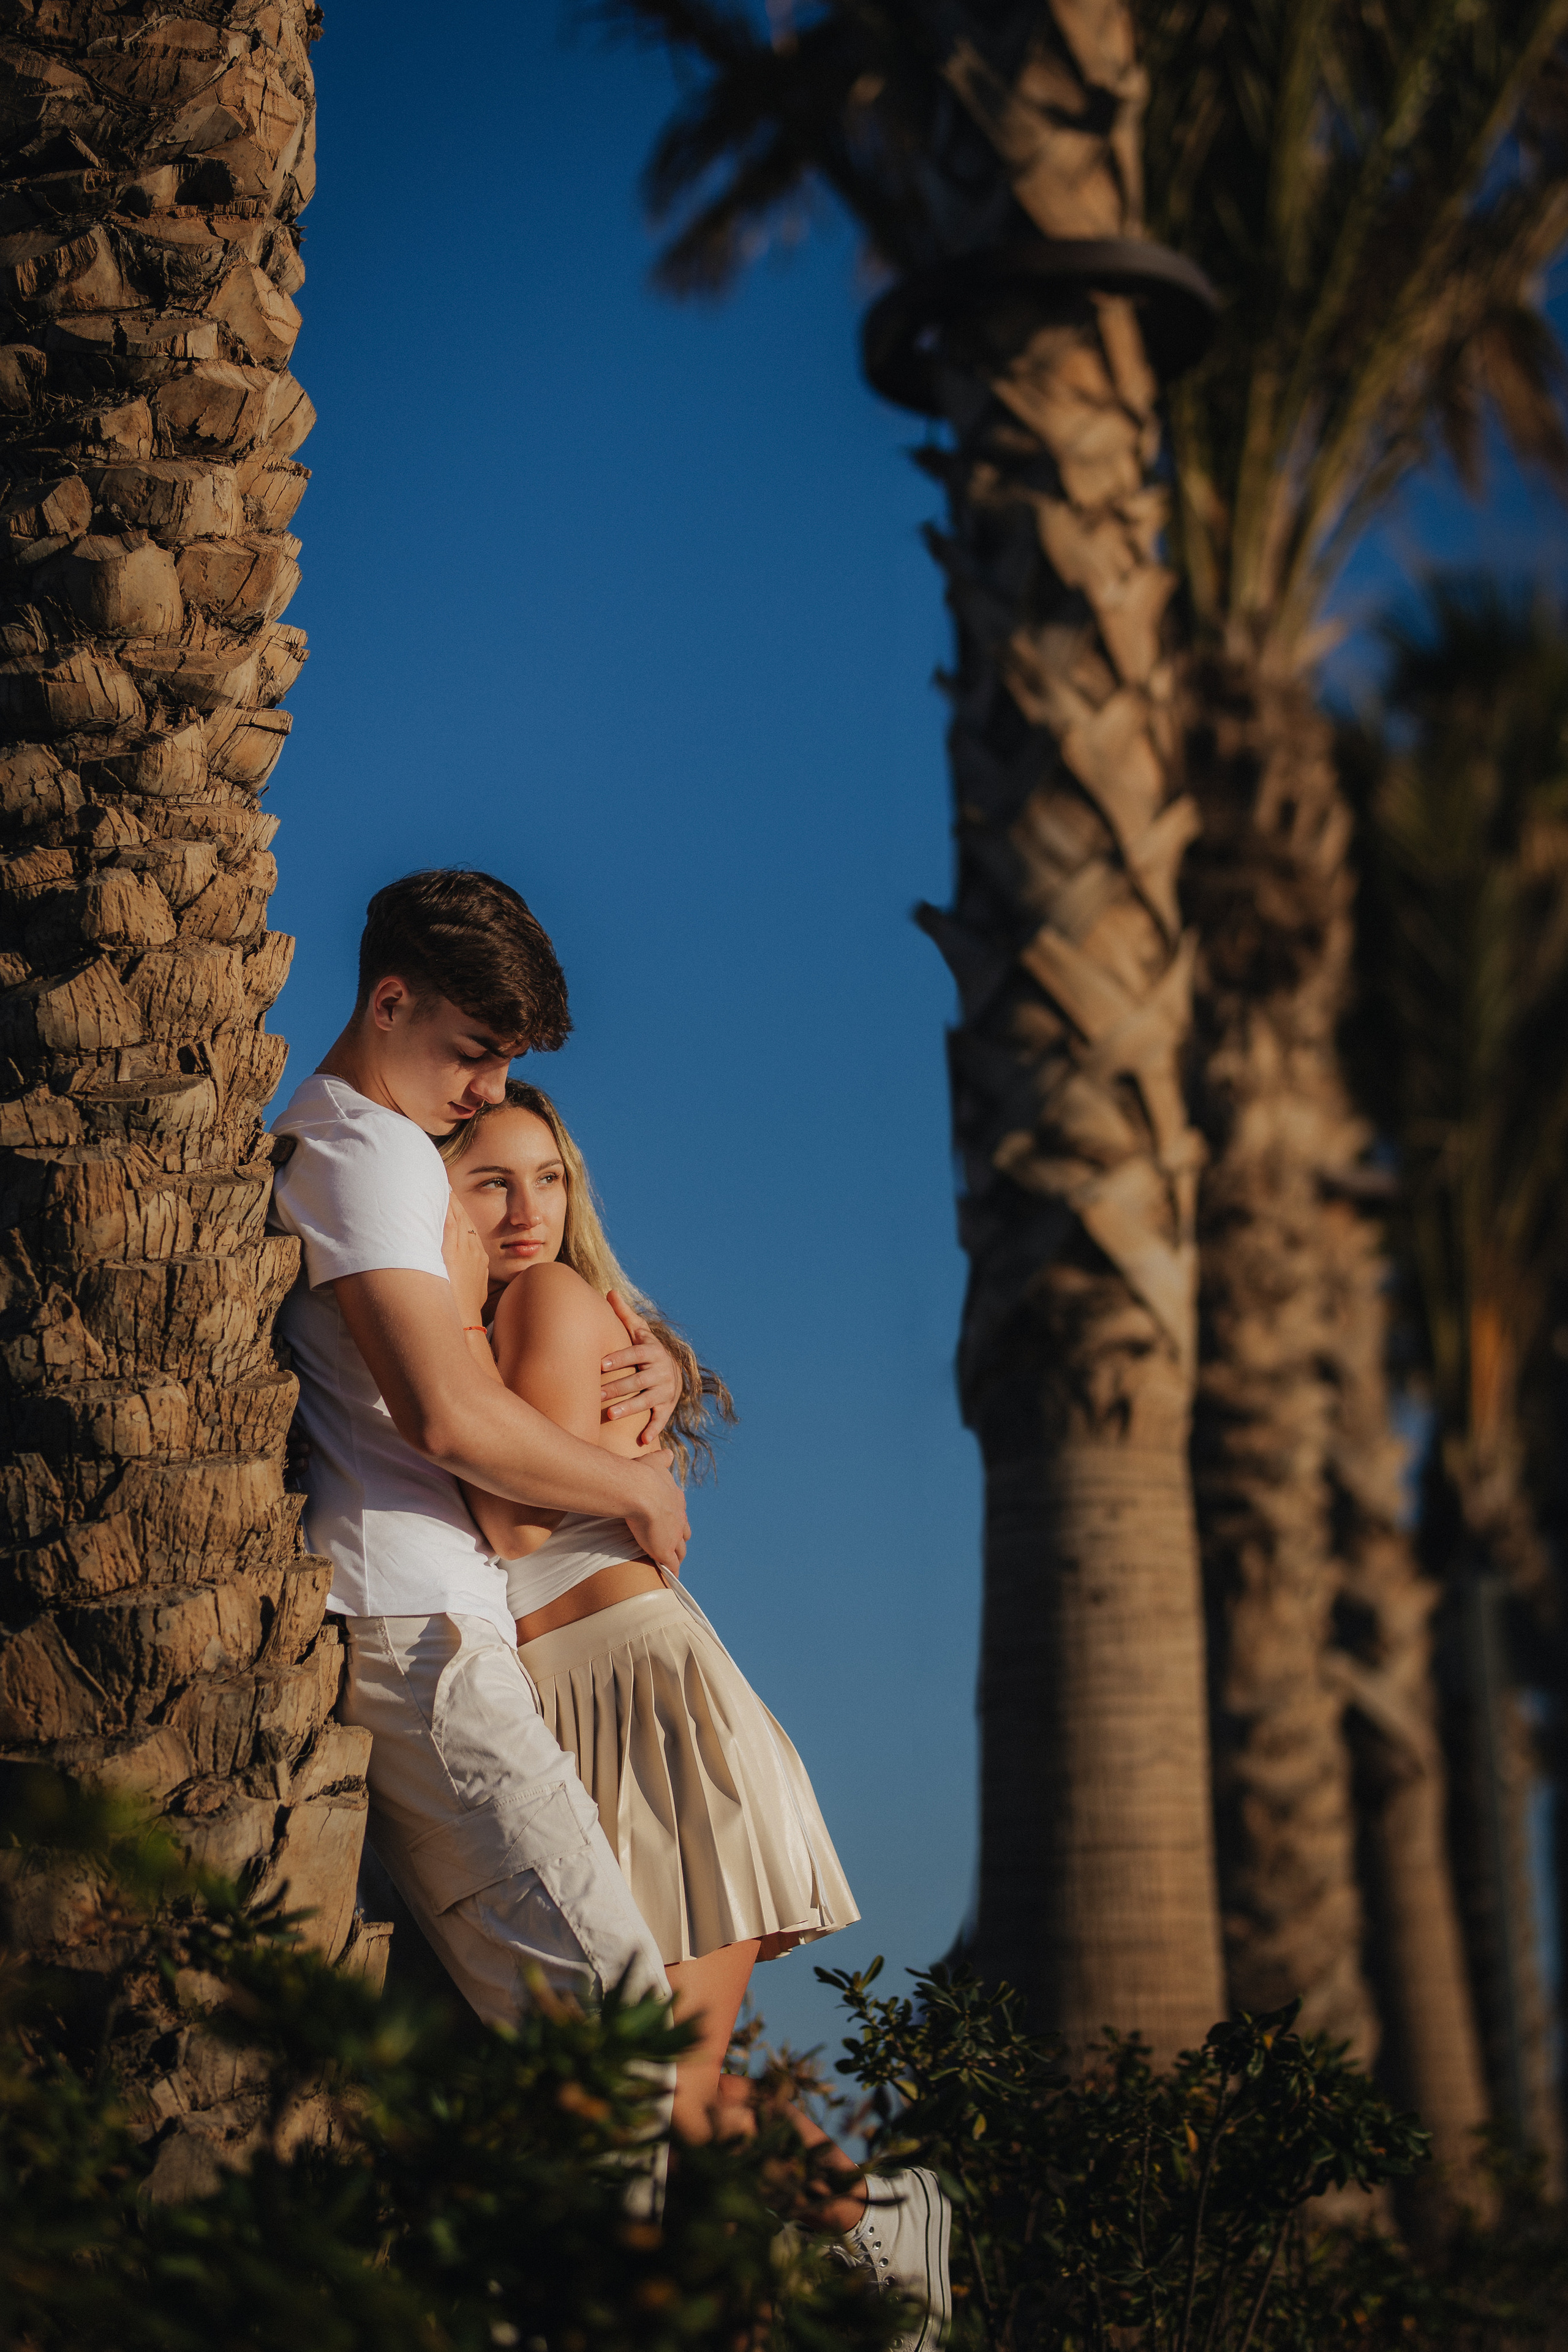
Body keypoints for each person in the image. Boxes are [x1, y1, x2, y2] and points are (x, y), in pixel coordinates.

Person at [440, 1080, 951, 2346]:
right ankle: (875, 2216)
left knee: (656, 2088)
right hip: (581, 1700)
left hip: (639, 1697)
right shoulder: (507, 1317)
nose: (524, 1211)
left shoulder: (546, 1302)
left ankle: (871, 2221)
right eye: (490, 1181)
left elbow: (508, 1518)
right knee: (661, 2079)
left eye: (546, 1179)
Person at [268, 869, 690, 2038]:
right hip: (420, 1626)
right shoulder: (376, 1155)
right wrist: (635, 1490)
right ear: (389, 1004)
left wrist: (665, 1363)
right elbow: (447, 1415)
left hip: (426, 1619)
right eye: (473, 1053)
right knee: (612, 2023)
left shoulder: (348, 1143)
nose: (491, 1090)